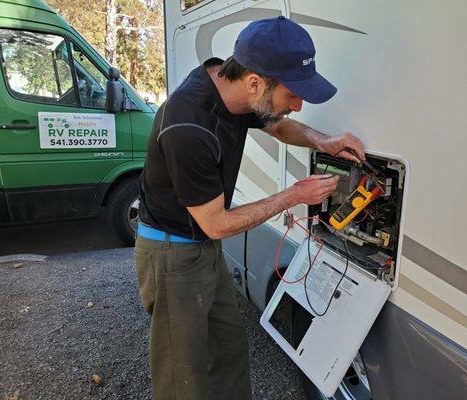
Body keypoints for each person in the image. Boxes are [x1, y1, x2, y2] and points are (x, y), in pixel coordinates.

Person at [134, 16, 365, 400]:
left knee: (228, 353)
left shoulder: (233, 83)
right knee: (182, 378)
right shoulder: (189, 127)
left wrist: (324, 141)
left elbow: (274, 124)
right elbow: (216, 224)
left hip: (201, 247)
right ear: (255, 82)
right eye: (292, 93)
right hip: (170, 254)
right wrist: (293, 196)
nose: (299, 104)